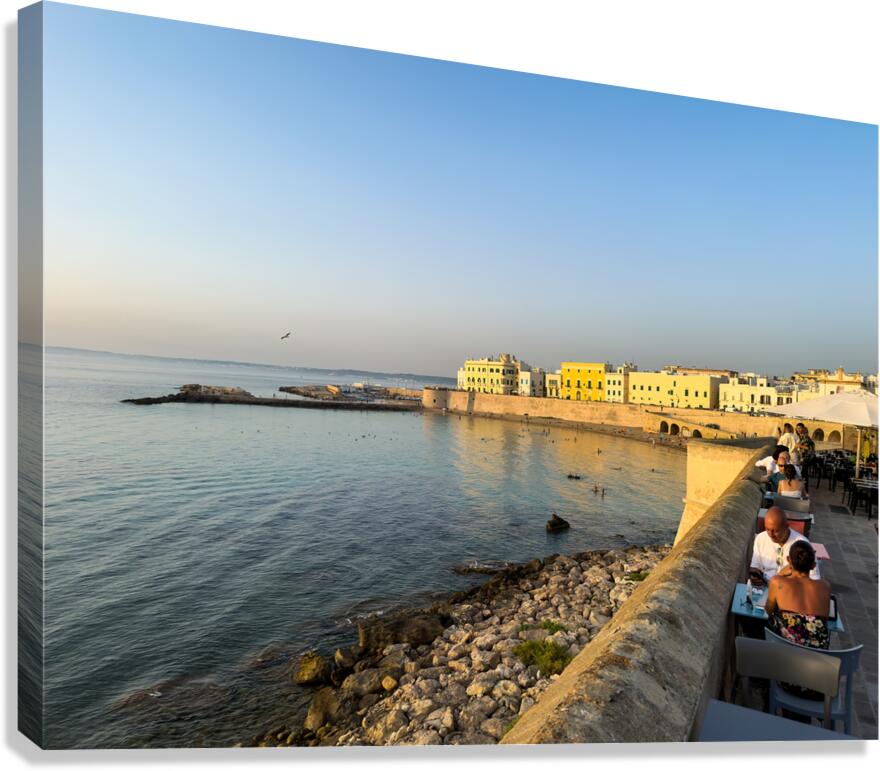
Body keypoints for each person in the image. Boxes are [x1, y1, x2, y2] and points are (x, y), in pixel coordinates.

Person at [765, 540, 831, 649]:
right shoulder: (825, 587)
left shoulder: (777, 582)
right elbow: (825, 618)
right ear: (813, 565)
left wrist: (780, 574)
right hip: (817, 658)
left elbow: (768, 610)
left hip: (786, 655)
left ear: (788, 560)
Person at [750, 506, 820, 585]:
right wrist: (754, 576)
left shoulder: (802, 544)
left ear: (787, 526)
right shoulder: (760, 539)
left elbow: (814, 579)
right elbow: (755, 566)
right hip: (763, 585)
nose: (770, 535)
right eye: (767, 529)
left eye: (776, 531)